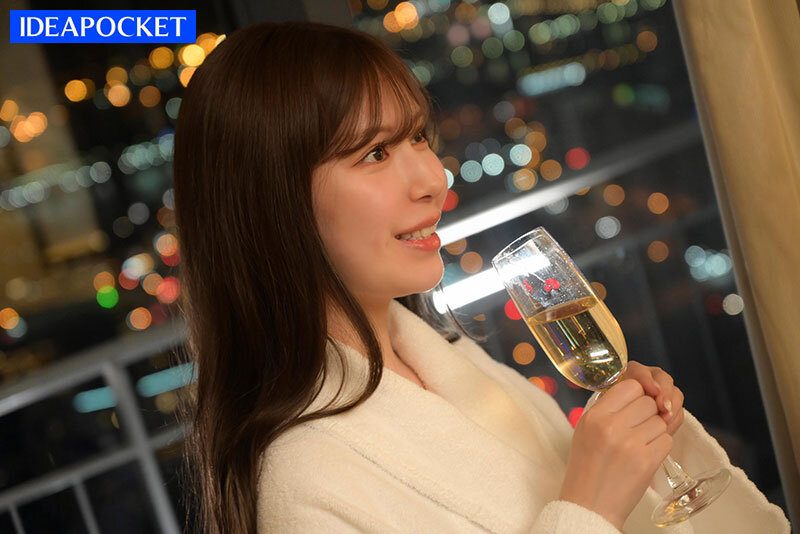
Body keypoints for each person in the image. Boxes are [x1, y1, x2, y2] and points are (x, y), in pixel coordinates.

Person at [171, 20, 791, 534]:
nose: (433, 180)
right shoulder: (305, 486)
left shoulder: (452, 362)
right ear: (272, 204)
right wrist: (589, 507)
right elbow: (584, 511)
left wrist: (641, 452)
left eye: (418, 137)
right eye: (375, 153)